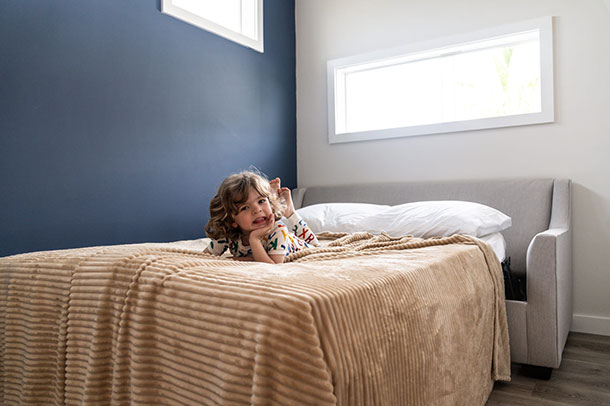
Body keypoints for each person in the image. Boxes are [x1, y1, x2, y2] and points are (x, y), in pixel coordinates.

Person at [204, 171, 319, 264]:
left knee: (315, 246)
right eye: (245, 208)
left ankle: (289, 212)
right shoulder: (227, 234)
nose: (257, 210)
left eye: (261, 201)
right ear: (231, 220)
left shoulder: (279, 230)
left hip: (302, 247)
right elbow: (204, 257)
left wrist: (254, 239)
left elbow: (273, 265)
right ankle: (272, 197)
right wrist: (247, 259)